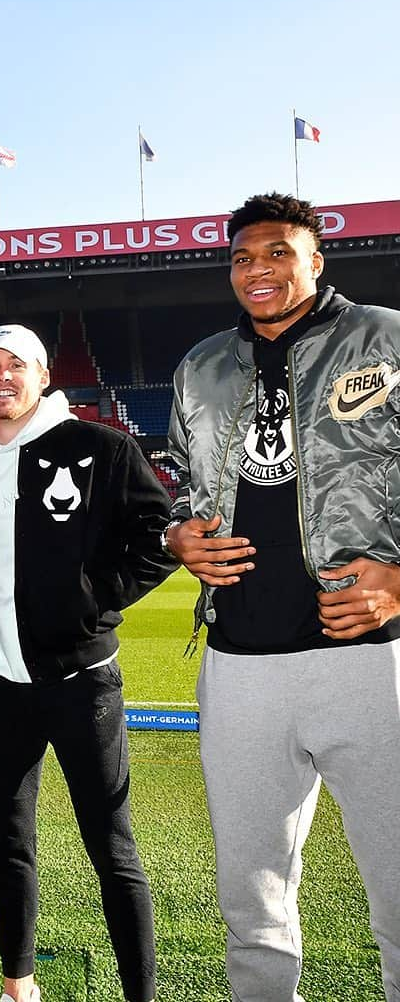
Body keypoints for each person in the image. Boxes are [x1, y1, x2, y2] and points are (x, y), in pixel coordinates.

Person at [165, 192, 400, 1001]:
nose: (256, 270)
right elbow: (177, 487)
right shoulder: (200, 366)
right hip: (240, 666)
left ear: (316, 260)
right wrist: (177, 536)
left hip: (367, 661)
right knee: (252, 897)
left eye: (275, 253)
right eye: (241, 257)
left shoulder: (386, 339)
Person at [0, 324, 172, 1002]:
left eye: (17, 365)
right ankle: (18, 986)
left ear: (43, 377)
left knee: (113, 848)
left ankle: (139, 995)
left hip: (80, 684)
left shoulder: (102, 447)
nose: (2, 376)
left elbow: (159, 538)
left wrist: (94, 603)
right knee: (8, 846)